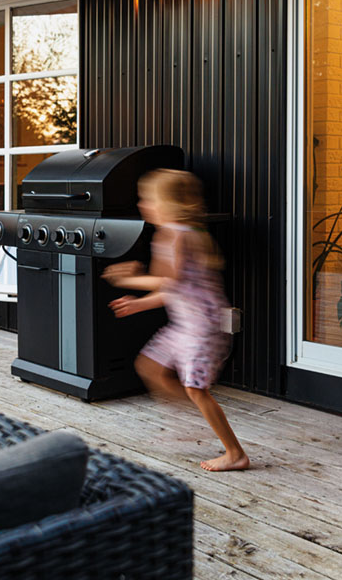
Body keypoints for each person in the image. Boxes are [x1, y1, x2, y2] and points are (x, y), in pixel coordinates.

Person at [103, 169, 250, 472]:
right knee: (150, 367)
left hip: (204, 327)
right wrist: (138, 303)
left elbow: (172, 280)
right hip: (185, 325)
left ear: (169, 204)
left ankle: (235, 453)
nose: (143, 204)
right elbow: (171, 289)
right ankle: (188, 425)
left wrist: (132, 279)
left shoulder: (182, 237)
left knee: (196, 389)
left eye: (148, 199)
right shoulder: (166, 236)